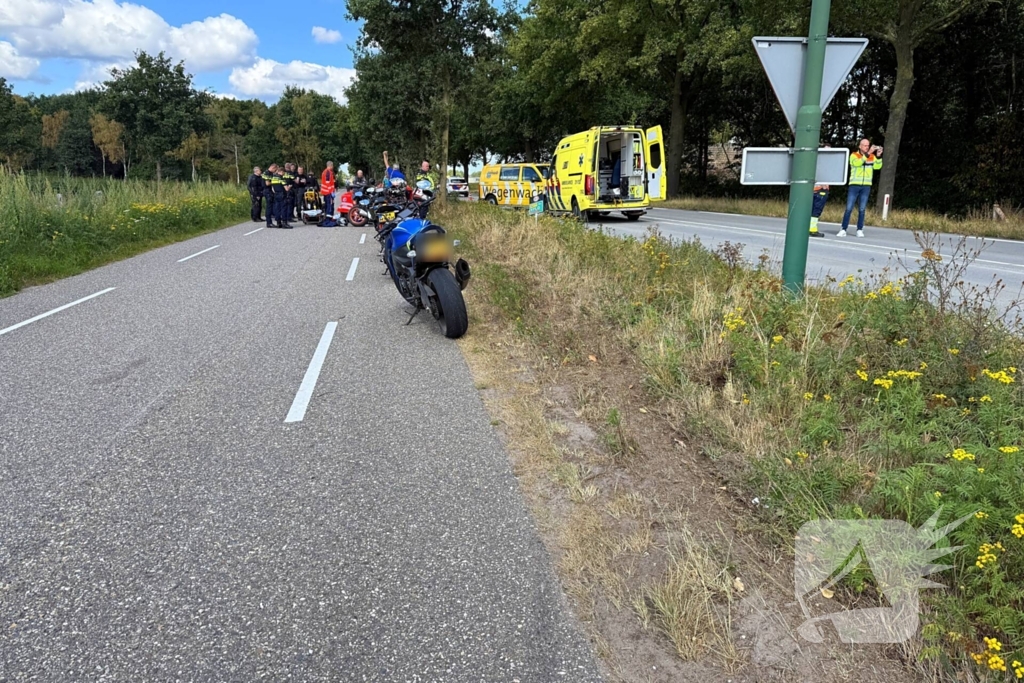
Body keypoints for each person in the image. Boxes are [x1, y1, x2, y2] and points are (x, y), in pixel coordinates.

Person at [839, 139, 883, 238]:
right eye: (865, 145)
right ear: (860, 146)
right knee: (849, 208)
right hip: (854, 184)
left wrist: (878, 156)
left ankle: (859, 229)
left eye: (868, 145)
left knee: (862, 209)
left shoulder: (871, 156)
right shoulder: (854, 155)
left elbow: (877, 167)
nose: (867, 147)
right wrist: (868, 153)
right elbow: (857, 163)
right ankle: (843, 229)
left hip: (866, 185)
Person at [263, 164, 277, 228]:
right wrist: (275, 182)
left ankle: (269, 221)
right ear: (272, 168)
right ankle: (269, 222)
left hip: (269, 191)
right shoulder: (267, 173)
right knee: (269, 207)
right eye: (275, 170)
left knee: (270, 207)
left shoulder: (269, 173)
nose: (275, 171)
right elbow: (267, 183)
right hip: (267, 191)